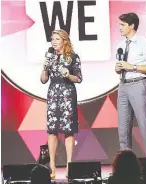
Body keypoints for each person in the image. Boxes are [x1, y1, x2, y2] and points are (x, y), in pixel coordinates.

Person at [115, 13, 146, 157]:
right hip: (123, 86)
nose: (119, 27)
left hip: (138, 85)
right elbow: (120, 67)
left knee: (144, 125)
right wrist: (118, 68)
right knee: (123, 128)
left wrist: (132, 67)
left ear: (132, 26)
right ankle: (125, 165)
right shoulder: (121, 44)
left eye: (122, 25)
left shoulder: (143, 42)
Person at [40, 29, 82, 179]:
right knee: (52, 130)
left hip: (67, 95)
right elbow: (44, 79)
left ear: (64, 40)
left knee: (68, 130)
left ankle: (70, 165)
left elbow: (78, 78)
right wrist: (45, 67)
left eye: (57, 39)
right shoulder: (50, 57)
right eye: (52, 39)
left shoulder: (73, 57)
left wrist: (68, 74)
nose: (54, 41)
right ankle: (52, 164)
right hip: (53, 94)